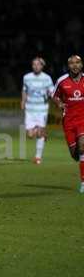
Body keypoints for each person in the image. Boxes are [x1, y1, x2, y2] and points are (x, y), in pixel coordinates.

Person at [53, 55, 84, 192]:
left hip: (83, 119)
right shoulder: (61, 81)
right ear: (68, 66)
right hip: (69, 121)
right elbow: (55, 96)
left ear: (81, 65)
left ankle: (83, 182)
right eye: (72, 63)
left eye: (77, 63)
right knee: (75, 154)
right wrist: (59, 103)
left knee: (83, 147)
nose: (75, 65)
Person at [21, 57, 54, 164]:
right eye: (34, 64)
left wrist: (51, 95)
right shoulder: (26, 77)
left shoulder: (47, 78)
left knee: (39, 134)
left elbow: (51, 91)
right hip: (30, 109)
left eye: (38, 64)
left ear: (42, 66)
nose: (36, 66)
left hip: (42, 109)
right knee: (30, 135)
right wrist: (23, 101)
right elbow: (25, 90)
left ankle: (37, 157)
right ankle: (42, 132)